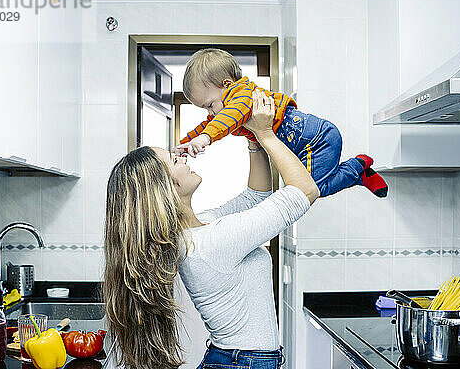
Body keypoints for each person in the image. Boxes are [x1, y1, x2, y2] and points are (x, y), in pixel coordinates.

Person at [103, 91, 318, 369]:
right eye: (174, 160)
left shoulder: (198, 229)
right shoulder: (210, 243)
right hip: (244, 363)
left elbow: (257, 195)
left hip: (235, 360)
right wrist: (266, 134)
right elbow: (305, 191)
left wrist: (252, 139)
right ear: (167, 189)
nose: (183, 159)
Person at [174, 48, 388, 198]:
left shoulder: (242, 96)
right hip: (304, 146)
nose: (211, 113)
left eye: (210, 105)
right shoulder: (226, 105)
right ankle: (360, 175)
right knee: (303, 188)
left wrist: (205, 138)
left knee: (313, 189)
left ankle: (357, 168)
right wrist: (186, 142)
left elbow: (226, 118)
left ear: (227, 84)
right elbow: (208, 124)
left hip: (317, 139)